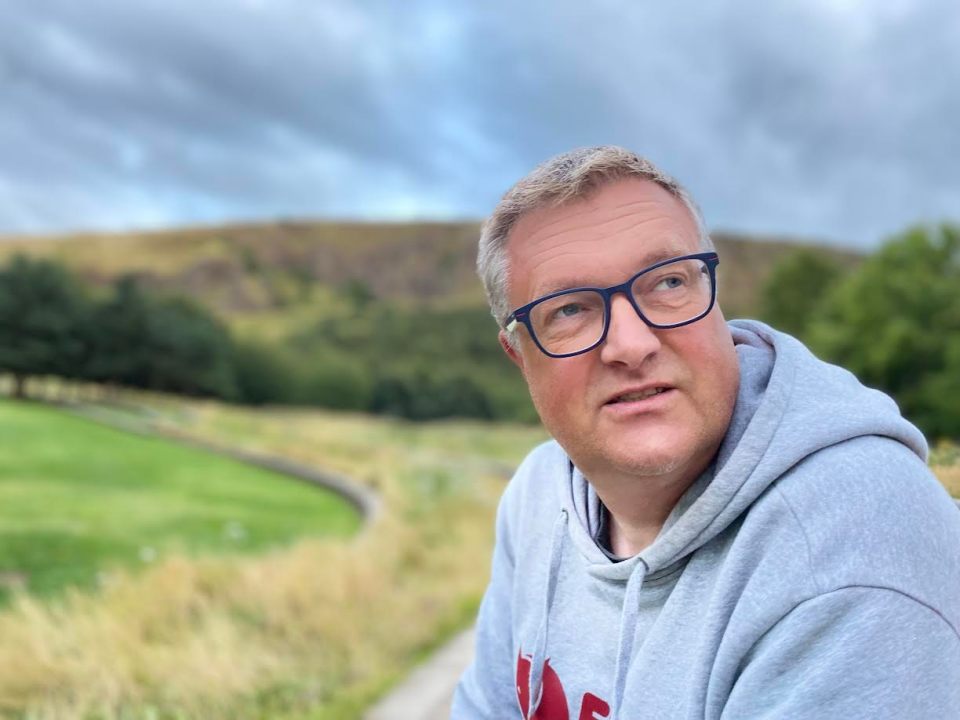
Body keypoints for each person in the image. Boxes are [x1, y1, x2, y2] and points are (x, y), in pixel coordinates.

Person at [451, 146, 960, 719]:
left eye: (668, 282)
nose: (632, 344)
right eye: (569, 310)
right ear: (519, 357)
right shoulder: (536, 496)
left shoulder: (852, 554)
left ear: (713, 294)